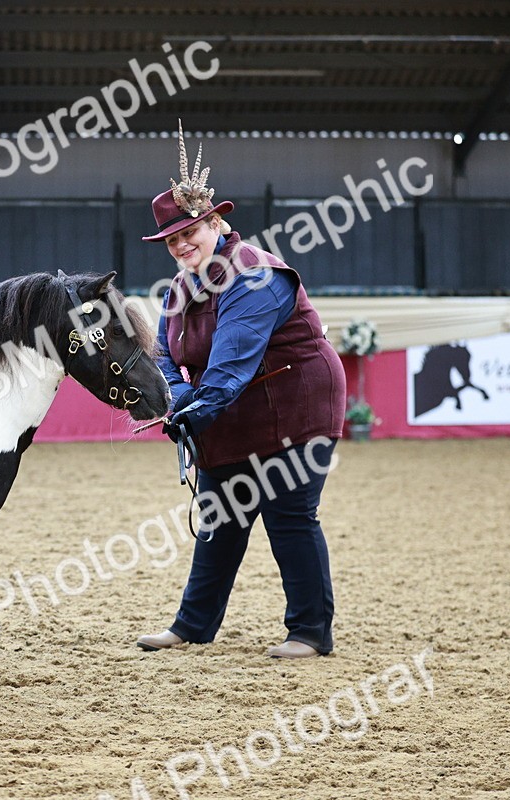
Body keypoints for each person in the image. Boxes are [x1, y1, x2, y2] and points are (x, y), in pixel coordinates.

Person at [136, 125, 346, 659]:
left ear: (215, 221)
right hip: (234, 409)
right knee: (219, 516)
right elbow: (165, 358)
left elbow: (230, 365)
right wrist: (177, 406)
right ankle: (192, 625)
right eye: (173, 240)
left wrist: (194, 410)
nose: (183, 245)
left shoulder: (253, 275)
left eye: (191, 232)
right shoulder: (178, 291)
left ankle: (309, 632)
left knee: (290, 514)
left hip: (296, 405)